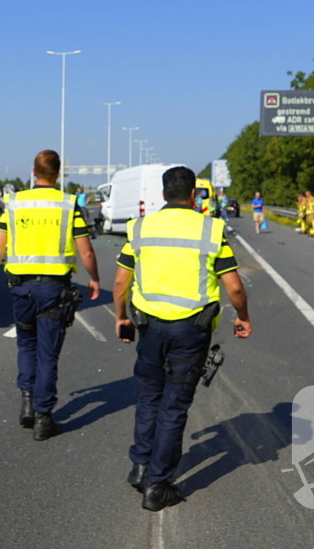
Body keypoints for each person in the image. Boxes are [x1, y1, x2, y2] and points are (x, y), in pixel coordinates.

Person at [113, 166, 252, 512]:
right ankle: (157, 485)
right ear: (193, 194)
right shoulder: (210, 229)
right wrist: (243, 317)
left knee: (149, 397)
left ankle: (140, 466)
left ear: (163, 194)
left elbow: (120, 281)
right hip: (190, 331)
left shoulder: (141, 227)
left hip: (149, 328)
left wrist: (121, 317)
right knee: (174, 406)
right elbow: (234, 286)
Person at [0, 150, 101, 441]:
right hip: (53, 289)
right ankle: (43, 417)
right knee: (48, 353)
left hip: (20, 287)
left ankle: (27, 402)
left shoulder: (14, 203)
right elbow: (85, 250)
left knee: (26, 344)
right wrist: (95, 278)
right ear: (58, 174)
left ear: (33, 172)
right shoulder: (68, 205)